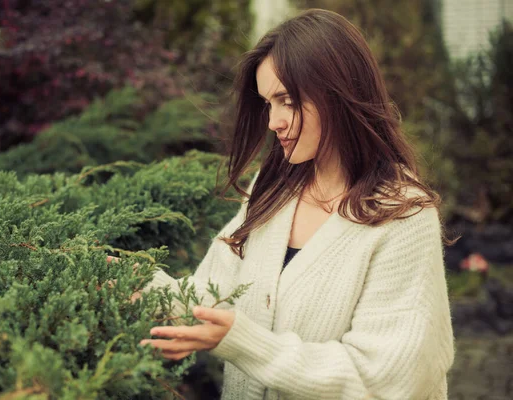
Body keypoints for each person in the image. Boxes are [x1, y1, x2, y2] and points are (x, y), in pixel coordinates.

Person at [135, 8, 455, 400]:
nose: (273, 122)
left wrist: (245, 343)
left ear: (339, 94)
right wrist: (144, 286)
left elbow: (385, 378)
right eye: (268, 103)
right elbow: (210, 299)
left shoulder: (403, 217)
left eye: (286, 100)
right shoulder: (271, 191)